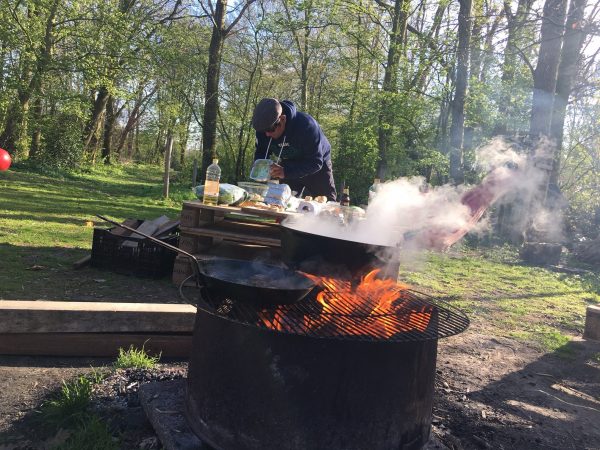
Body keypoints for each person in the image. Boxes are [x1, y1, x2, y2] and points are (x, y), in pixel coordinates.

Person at [251, 98, 337, 201]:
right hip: (289, 162)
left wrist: (286, 172)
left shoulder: (307, 126)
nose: (267, 134)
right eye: (263, 131)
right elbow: (261, 152)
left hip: (316, 164)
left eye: (270, 129)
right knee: (281, 200)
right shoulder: (263, 128)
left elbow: (316, 162)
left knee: (326, 202)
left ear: (282, 119)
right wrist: (260, 169)